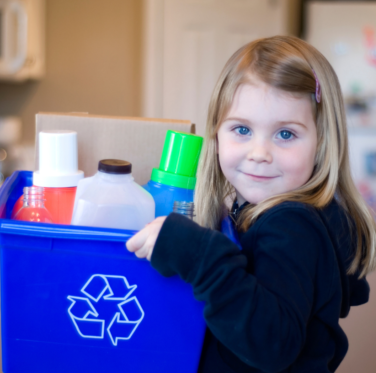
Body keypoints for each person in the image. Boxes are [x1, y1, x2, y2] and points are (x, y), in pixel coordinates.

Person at [126, 36, 376, 372]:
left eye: (285, 134)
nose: (259, 154)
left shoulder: (291, 225)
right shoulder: (284, 217)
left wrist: (198, 253)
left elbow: (271, 343)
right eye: (242, 129)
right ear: (216, 137)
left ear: (321, 143)